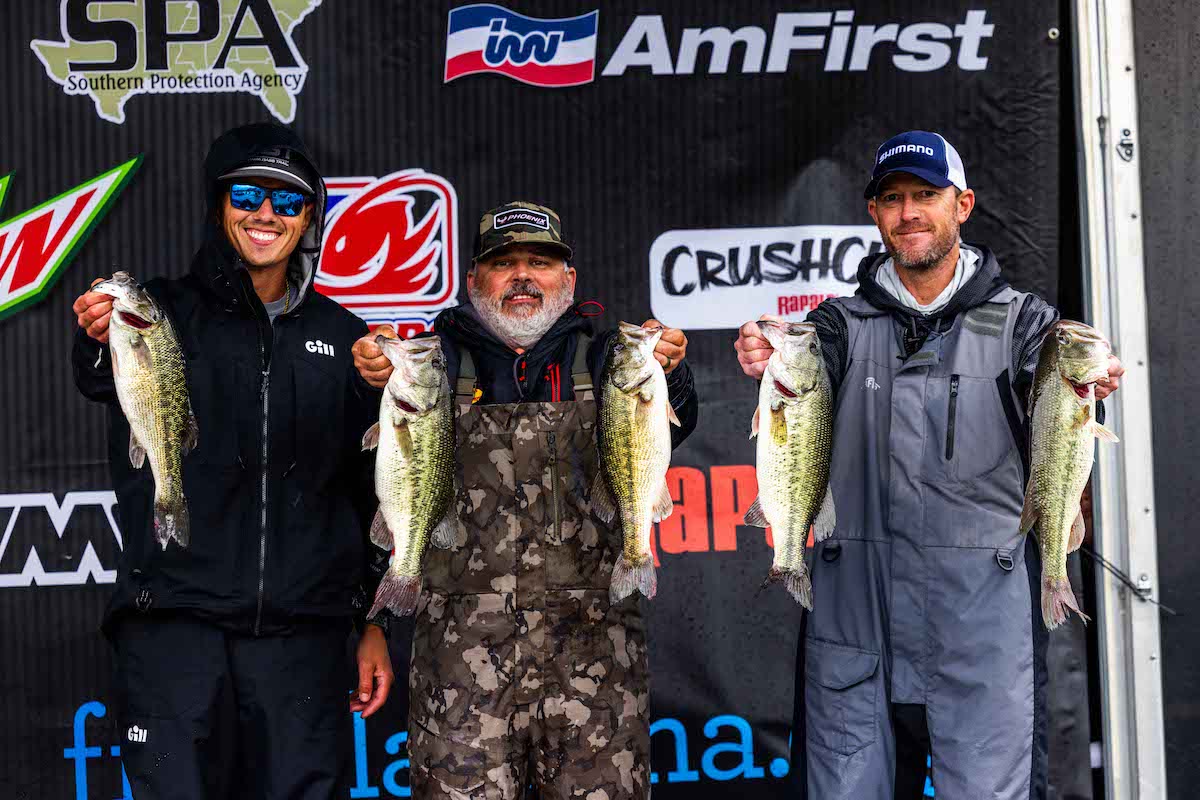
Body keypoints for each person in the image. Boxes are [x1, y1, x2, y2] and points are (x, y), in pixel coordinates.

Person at [733, 131, 1124, 800]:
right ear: (874, 213)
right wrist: (764, 352)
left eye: (925, 194)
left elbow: (1062, 392)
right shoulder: (835, 326)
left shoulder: (1027, 323)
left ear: (962, 204)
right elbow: (796, 367)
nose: (909, 212)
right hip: (856, 634)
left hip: (982, 639)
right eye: (892, 199)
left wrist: (1093, 382)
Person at [71, 122, 394, 799]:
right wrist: (99, 336)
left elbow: (373, 492)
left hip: (302, 642)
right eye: (248, 195)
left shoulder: (344, 336)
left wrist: (373, 621)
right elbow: (98, 377)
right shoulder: (158, 311)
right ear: (219, 205)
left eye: (288, 200)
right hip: (173, 629)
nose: (266, 214)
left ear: (308, 218)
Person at [352, 201, 699, 799]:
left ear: (568, 278)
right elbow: (386, 484)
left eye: (540, 262)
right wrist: (374, 377)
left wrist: (673, 370)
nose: (522, 277)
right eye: (503, 263)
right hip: (461, 676)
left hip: (595, 670)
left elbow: (676, 422)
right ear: (473, 280)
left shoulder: (607, 356)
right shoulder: (431, 364)